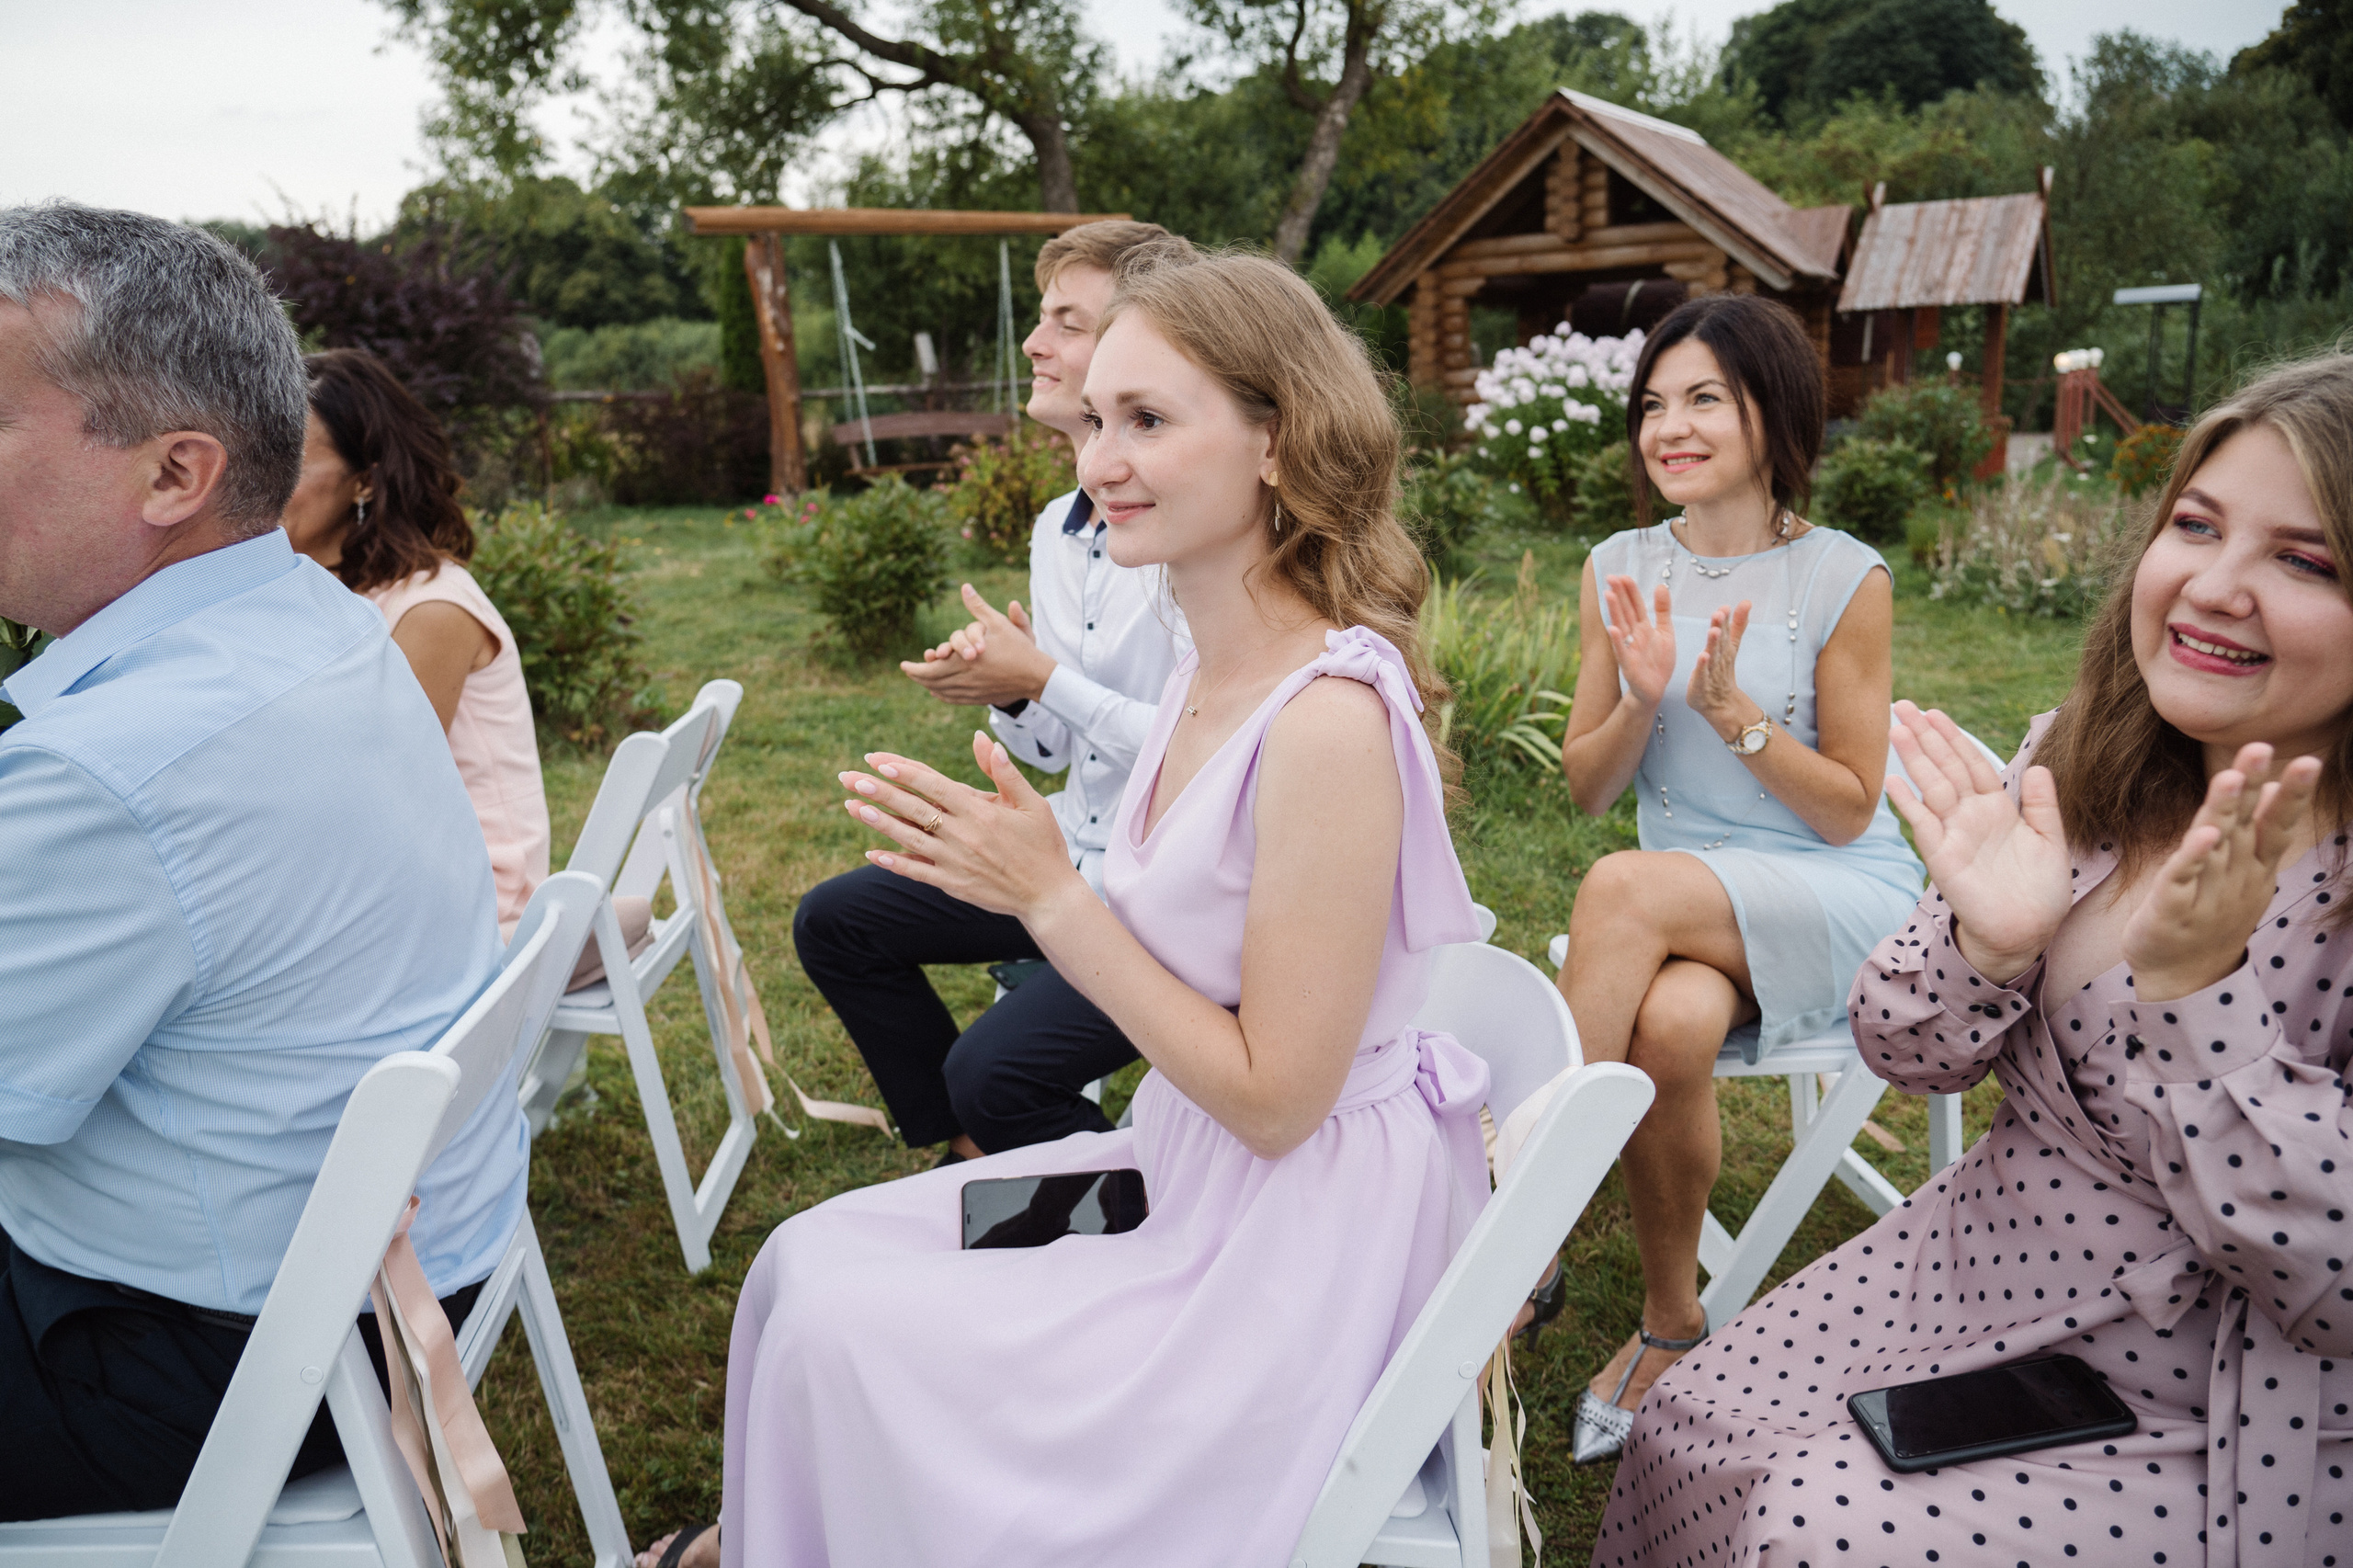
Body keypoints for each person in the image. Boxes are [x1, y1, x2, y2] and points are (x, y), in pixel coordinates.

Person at [637, 253, 1491, 1568]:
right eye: (1096, 419)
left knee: (852, 1328)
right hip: (1187, 1175)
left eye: (1149, 419)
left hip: (1284, 1250)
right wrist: (1013, 868)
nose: (1101, 460)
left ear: (1276, 438)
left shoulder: (1326, 722)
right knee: (808, 1265)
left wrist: (1047, 897)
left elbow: (1277, 1100)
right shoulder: (1214, 672)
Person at [1595, 354, 2353, 1566]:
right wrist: (1985, 939)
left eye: (2304, 559)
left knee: (1815, 1532)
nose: (2215, 586)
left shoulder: (1846, 572)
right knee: (1692, 1417)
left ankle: (1531, 1184)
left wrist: (2210, 1008)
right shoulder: (2086, 762)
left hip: (2214, 1370)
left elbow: (2338, 1282)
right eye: (2195, 526)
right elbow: (1904, 1045)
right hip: (1980, 1245)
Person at [0, 205, 525, 1517]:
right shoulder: (310, 623)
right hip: (401, 1274)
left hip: (219, 1355)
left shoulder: (119, 766)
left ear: (175, 473)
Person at [1548, 293, 1923, 1461]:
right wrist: (1650, 698)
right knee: (1667, 1019)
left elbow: (1851, 804)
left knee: (1618, 890)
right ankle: (1671, 1322)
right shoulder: (1618, 566)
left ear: (1773, 411)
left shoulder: (1841, 577)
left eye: (1703, 397)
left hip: (1835, 882)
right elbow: (1587, 787)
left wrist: (1736, 715)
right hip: (1690, 893)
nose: (1670, 425)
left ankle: (1517, 1226)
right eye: (1653, 404)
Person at [793, 220, 1193, 1161]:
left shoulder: (1186, 532)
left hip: (1163, 881)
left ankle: (1131, 1200)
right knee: (837, 920)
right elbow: (1055, 753)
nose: (1032, 343)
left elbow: (1202, 751)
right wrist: (1008, 692)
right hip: (1066, 848)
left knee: (995, 1062)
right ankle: (975, 1149)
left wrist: (1040, 672)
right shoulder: (1058, 527)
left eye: (1065, 320)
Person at [283, 347, 551, 934]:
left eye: (291, 461)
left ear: (364, 483)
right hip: (392, 882)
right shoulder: (317, 593)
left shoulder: (429, 610)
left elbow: (371, 798)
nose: (262, 484)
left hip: (477, 909)